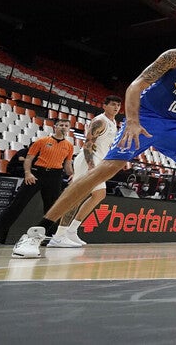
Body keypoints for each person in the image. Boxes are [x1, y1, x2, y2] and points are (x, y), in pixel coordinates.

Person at [9, 21, 176, 259]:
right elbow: (136, 85)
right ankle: (37, 232)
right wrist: (132, 120)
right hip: (146, 118)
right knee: (106, 170)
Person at [0, 118, 75, 247]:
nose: (63, 127)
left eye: (66, 125)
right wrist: (28, 173)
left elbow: (67, 165)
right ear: (55, 127)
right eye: (61, 125)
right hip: (37, 174)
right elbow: (29, 159)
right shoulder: (42, 141)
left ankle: (49, 238)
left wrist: (72, 175)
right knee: (16, 205)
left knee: (53, 208)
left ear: (69, 129)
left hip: (55, 176)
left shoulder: (69, 146)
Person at [47, 95, 123, 248]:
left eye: (118, 105)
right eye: (113, 104)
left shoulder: (113, 122)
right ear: (105, 105)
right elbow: (88, 144)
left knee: (99, 195)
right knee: (77, 196)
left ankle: (71, 231)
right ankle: (58, 236)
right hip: (89, 161)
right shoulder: (100, 121)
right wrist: (91, 166)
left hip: (99, 161)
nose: (116, 107)